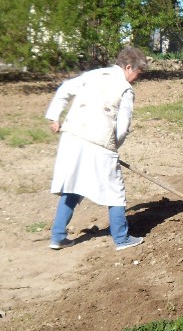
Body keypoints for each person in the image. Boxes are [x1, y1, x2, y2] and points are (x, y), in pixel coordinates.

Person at [45, 47, 149, 251]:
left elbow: (65, 89)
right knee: (115, 191)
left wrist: (54, 117)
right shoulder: (125, 89)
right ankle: (121, 238)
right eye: (139, 72)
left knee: (72, 186)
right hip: (99, 143)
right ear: (129, 67)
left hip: (71, 137)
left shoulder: (94, 75)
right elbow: (123, 127)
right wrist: (113, 148)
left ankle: (58, 236)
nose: (138, 77)